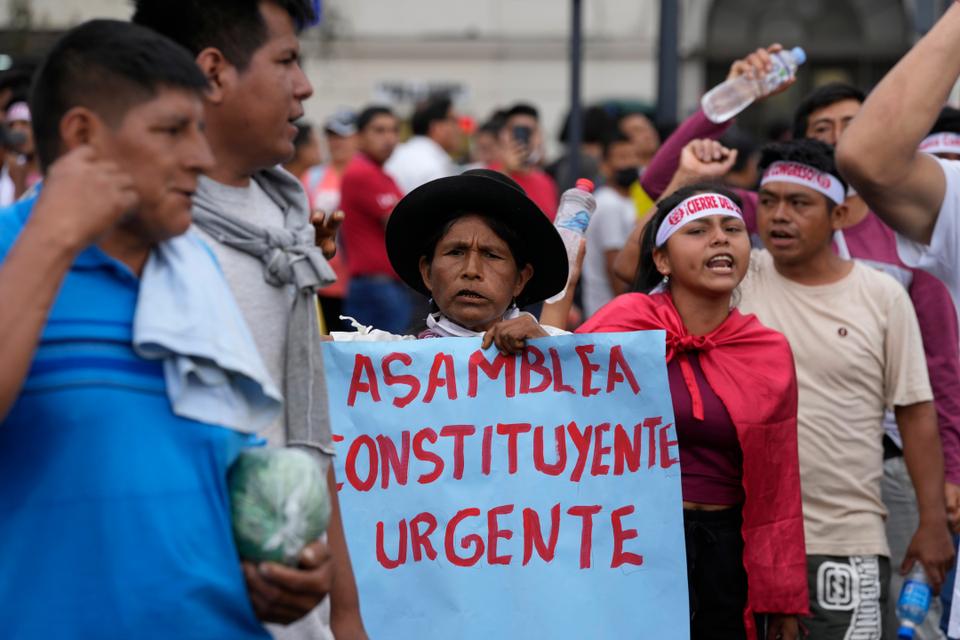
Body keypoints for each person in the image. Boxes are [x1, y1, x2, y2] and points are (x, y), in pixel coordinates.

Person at [0, 19, 289, 638]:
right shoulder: (10, 252)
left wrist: (277, 570)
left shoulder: (195, 271)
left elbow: (229, 470)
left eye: (199, 131)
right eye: (171, 131)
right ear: (82, 137)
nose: (201, 156)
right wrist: (52, 236)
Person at [131, 2, 365, 638]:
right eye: (287, 59)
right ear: (213, 72)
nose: (305, 86)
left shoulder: (289, 228)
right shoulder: (136, 233)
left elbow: (307, 427)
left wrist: (343, 611)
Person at [734, 139, 954, 638]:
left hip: (843, 539)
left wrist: (932, 521)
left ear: (842, 213)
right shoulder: (739, 277)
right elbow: (637, 262)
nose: (779, 216)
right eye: (768, 202)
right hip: (742, 538)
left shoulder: (881, 295)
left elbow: (916, 411)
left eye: (800, 203)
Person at [578, 185, 807, 640]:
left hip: (728, 553)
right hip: (633, 545)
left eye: (733, 229)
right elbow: (556, 389)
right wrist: (534, 335)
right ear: (662, 261)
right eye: (698, 230)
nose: (720, 239)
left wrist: (782, 597)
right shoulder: (627, 322)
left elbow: (778, 486)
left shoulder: (767, 350)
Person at [332, 168, 568, 350]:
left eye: (492, 255)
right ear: (427, 272)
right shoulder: (384, 358)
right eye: (455, 252)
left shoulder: (558, 348)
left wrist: (548, 354)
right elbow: (300, 351)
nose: (471, 270)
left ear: (520, 279)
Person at [339, 104, 410, 335]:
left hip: (382, 286)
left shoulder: (381, 174)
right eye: (379, 130)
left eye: (393, 130)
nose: (389, 138)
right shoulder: (362, 173)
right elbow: (402, 223)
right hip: (376, 288)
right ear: (359, 137)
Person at [303, 109, 358, 334]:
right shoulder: (313, 177)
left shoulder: (365, 174)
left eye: (343, 136)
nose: (336, 142)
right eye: (332, 136)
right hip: (324, 279)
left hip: (358, 281)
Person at [582, 132, 642, 318]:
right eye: (623, 157)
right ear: (605, 167)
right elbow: (614, 265)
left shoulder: (627, 201)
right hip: (609, 313)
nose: (630, 163)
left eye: (634, 157)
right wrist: (629, 312)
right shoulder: (609, 204)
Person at [490, 102, 559, 219]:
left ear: (539, 136)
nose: (522, 138)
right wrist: (506, 171)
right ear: (503, 135)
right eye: (516, 131)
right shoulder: (486, 175)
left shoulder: (547, 182)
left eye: (529, 132)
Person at [385, 94, 460, 193]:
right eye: (454, 121)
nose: (459, 129)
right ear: (437, 127)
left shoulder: (393, 154)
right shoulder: (435, 166)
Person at [0, 100, 41, 205]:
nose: (18, 130)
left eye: (24, 124)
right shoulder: (7, 168)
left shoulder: (51, 169)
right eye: (11, 125)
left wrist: (19, 182)